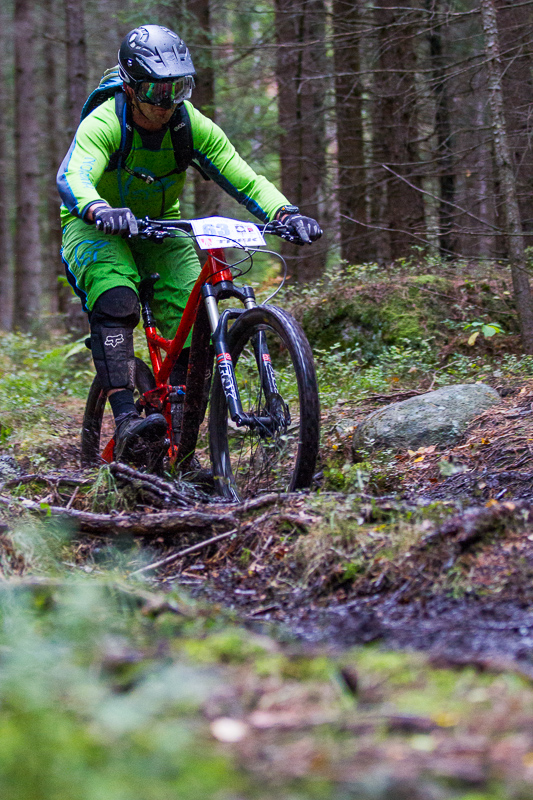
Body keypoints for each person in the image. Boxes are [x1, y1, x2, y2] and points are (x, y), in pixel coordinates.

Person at [57, 24, 322, 462]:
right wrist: (98, 208)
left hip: (162, 228)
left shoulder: (188, 124)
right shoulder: (105, 121)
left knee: (195, 324)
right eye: (157, 91)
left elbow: (243, 176)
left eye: (179, 88)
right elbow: (75, 174)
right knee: (116, 300)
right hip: (96, 226)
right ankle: (125, 420)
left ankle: (181, 445)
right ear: (131, 87)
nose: (168, 103)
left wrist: (285, 213)